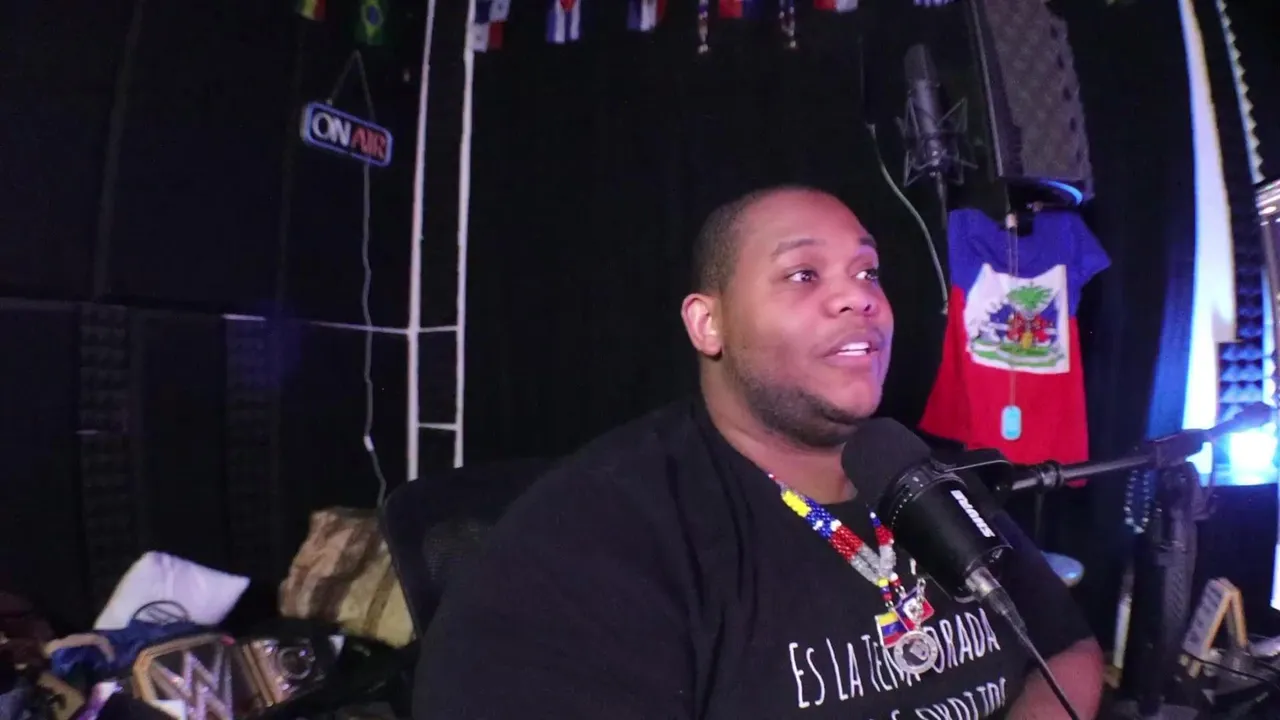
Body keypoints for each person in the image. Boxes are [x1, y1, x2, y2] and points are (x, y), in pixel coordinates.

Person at [415, 186, 1104, 719]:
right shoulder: (595, 535)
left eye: (868, 271)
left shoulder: (918, 468)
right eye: (803, 274)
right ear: (707, 323)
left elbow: (1067, 647)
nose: (858, 297)